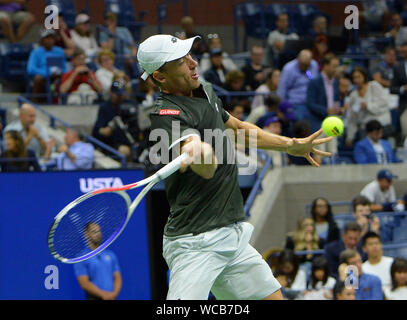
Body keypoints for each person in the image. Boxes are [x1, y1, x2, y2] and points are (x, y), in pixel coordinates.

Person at [137, 34, 333, 300]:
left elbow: (239, 130)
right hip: (195, 243)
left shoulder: (204, 89)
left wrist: (290, 145)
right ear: (160, 76)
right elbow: (205, 169)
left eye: (190, 56)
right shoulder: (166, 116)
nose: (193, 63)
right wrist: (199, 152)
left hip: (232, 235)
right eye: (182, 62)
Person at [73, 222, 122, 300]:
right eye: (94, 232)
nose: (98, 234)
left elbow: (117, 277)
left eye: (99, 231)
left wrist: (114, 294)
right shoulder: (81, 257)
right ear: (86, 235)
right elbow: (84, 283)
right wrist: (104, 295)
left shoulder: (110, 255)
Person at [346, 67, 392, 148]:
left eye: (358, 77)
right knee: (362, 138)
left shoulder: (374, 86)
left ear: (364, 76)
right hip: (366, 129)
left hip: (382, 125)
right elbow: (352, 118)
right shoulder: (353, 95)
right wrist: (350, 137)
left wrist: (368, 105)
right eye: (354, 78)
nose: (356, 80)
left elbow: (384, 104)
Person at [306, 53, 341, 157]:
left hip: (332, 121)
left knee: (333, 151)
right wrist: (326, 110)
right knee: (320, 152)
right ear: (325, 66)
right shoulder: (314, 82)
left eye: (337, 66)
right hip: (318, 121)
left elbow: (335, 100)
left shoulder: (335, 82)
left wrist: (338, 109)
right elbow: (310, 104)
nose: (336, 69)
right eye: (334, 66)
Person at [92, 77, 134, 161]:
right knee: (123, 150)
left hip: (129, 140)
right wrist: (105, 130)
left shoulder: (129, 105)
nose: (119, 97)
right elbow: (96, 131)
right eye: (117, 94)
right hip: (111, 144)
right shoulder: (105, 107)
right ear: (111, 93)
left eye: (121, 94)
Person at [277, 50, 319, 122]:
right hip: (295, 104)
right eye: (302, 64)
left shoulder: (314, 65)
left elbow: (316, 84)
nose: (304, 67)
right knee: (301, 122)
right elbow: (282, 90)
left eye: (306, 65)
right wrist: (281, 108)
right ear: (297, 59)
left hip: (312, 103)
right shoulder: (288, 69)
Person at [27, 29, 67, 103]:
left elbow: (64, 68)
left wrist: (60, 73)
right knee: (38, 78)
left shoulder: (59, 51)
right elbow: (30, 69)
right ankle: (36, 101)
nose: (49, 40)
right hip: (43, 77)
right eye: (47, 38)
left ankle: (62, 101)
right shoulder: (36, 52)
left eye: (51, 38)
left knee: (66, 77)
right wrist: (47, 73)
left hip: (57, 77)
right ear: (42, 40)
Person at [98, 12, 138, 77]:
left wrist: (133, 56)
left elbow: (133, 46)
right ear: (105, 21)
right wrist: (111, 35)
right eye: (109, 20)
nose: (111, 22)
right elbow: (108, 50)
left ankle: (137, 76)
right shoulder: (103, 33)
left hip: (128, 56)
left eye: (112, 20)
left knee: (136, 61)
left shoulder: (123, 30)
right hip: (115, 56)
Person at [390, 42, 407, 142]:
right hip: (405, 106)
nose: (403, 54)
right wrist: (403, 89)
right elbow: (392, 88)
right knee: (405, 134)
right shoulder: (398, 67)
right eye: (402, 52)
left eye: (405, 52)